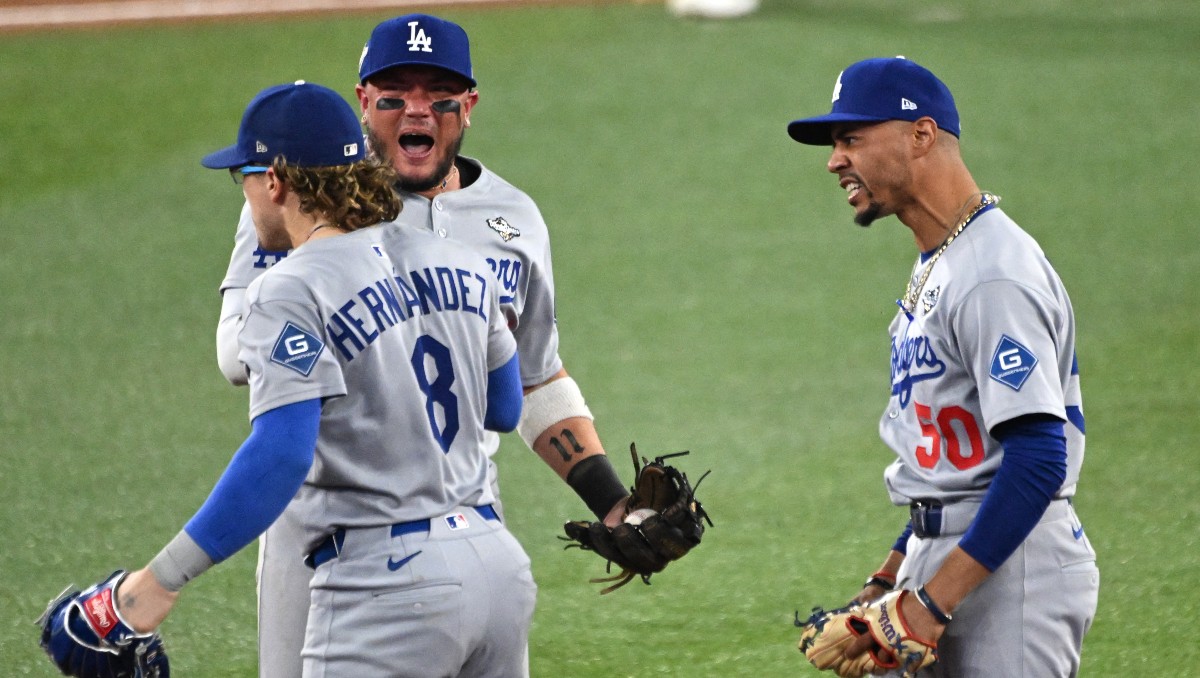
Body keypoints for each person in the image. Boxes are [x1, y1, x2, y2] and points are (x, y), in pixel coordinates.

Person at [42, 80, 535, 677]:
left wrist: (154, 586)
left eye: (243, 177)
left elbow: (280, 454)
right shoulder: (460, 260)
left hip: (389, 590)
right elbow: (503, 408)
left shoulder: (288, 289)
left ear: (274, 180)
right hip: (497, 568)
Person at [215, 14, 654, 677]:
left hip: (467, 520)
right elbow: (232, 354)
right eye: (394, 94)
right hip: (327, 526)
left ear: (467, 108)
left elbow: (533, 382)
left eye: (438, 93)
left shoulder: (511, 222)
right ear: (364, 102)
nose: (416, 108)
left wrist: (612, 502)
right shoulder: (298, 201)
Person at [787, 57, 1099, 676]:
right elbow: (955, 460)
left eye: (852, 138)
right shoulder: (944, 260)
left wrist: (929, 606)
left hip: (1012, 571)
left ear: (921, 135)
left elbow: (1037, 459)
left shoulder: (992, 273)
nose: (834, 160)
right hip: (951, 557)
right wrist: (891, 576)